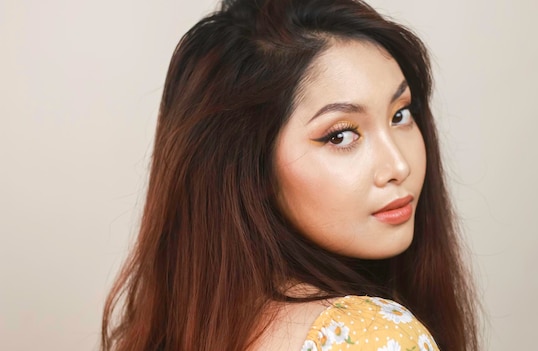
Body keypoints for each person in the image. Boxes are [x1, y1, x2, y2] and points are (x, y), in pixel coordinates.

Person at [101, 0, 479, 350]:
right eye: (341, 135)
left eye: (400, 114)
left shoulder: (188, 327)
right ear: (252, 168)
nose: (399, 166)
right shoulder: (371, 336)